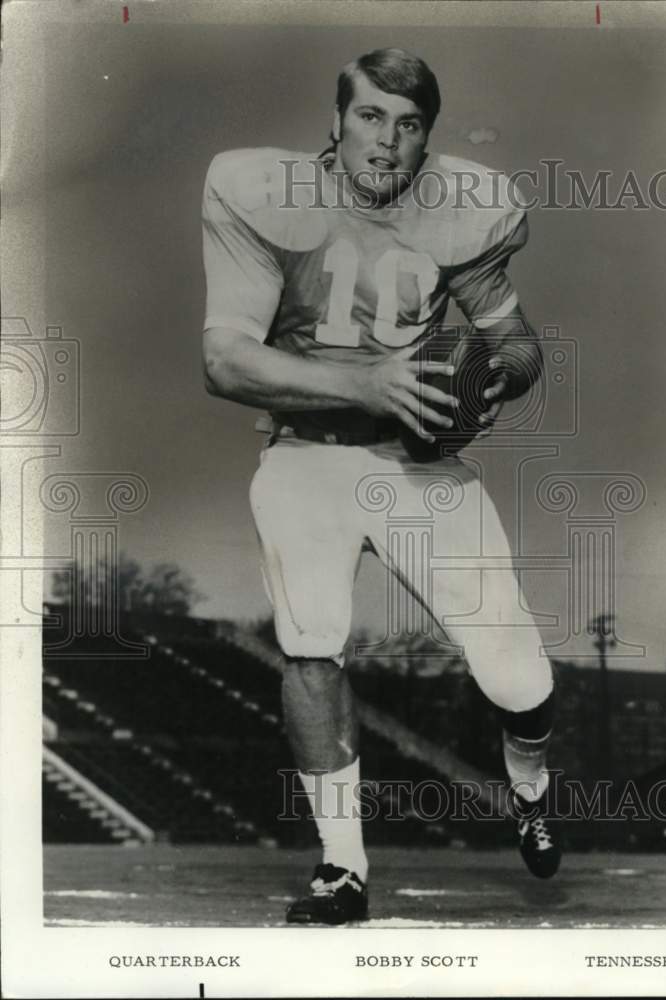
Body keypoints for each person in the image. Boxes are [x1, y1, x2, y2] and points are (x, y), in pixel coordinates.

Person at [202, 47, 559, 925]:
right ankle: (342, 868)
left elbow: (519, 343)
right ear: (335, 121)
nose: (386, 142)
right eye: (369, 117)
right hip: (306, 453)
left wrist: (488, 381)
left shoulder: (459, 215)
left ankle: (531, 784)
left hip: (417, 464)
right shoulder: (263, 195)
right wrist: (366, 383)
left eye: (407, 127)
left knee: (516, 678)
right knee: (310, 645)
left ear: (425, 140)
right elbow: (225, 359)